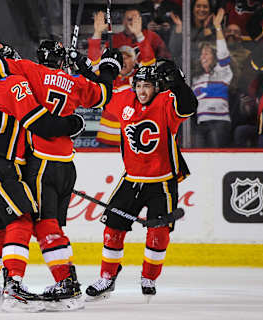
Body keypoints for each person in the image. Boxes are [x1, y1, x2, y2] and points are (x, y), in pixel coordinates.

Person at [0, 40, 122, 310]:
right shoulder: (71, 81)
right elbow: (102, 94)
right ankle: (58, 284)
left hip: (31, 163)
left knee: (14, 224)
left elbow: (35, 120)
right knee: (36, 223)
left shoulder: (25, 74)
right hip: (64, 163)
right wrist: (104, 67)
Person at [84, 59, 197, 302]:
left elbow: (189, 106)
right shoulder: (125, 99)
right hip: (132, 179)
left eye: (148, 86)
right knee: (113, 229)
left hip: (162, 181)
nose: (142, 91)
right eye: (139, 85)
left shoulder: (166, 102)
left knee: (158, 233)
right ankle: (107, 277)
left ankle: (149, 277)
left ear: (157, 87)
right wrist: (85, 67)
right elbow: (99, 93)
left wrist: (178, 83)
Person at [192, 8, 233, 148]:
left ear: (214, 57)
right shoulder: (196, 78)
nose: (203, 56)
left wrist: (217, 27)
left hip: (219, 122)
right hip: (200, 123)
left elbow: (223, 53)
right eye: (202, 54)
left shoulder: (223, 72)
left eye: (207, 53)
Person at [88, 6, 171, 66]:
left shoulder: (152, 36)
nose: (133, 23)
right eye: (130, 19)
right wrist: (97, 33)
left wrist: (139, 35)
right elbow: (95, 64)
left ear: (141, 21)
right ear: (123, 22)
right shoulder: (115, 40)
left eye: (136, 20)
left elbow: (165, 60)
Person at [96, 45, 138, 147]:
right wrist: (97, 34)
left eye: (126, 58)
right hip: (106, 138)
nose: (123, 61)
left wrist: (139, 35)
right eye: (120, 58)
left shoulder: (139, 79)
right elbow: (93, 63)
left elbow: (148, 60)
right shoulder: (108, 76)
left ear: (134, 61)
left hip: (131, 138)